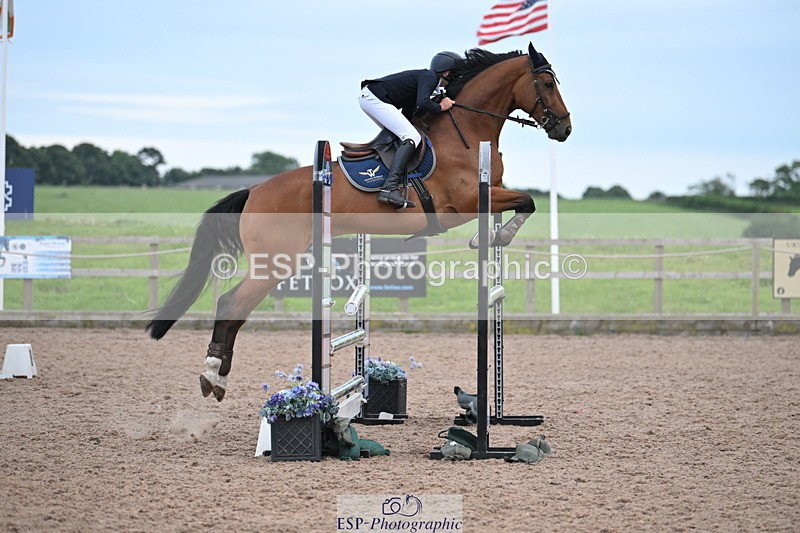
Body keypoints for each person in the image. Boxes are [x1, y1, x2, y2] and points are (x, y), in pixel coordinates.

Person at [359, 51, 462, 208]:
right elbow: (423, 102)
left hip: (371, 98)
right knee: (411, 137)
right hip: (374, 98)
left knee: (406, 135)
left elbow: (409, 110)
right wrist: (441, 106)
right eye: (455, 74)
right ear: (448, 73)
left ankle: (389, 180)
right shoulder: (430, 77)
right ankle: (389, 188)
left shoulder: (426, 81)